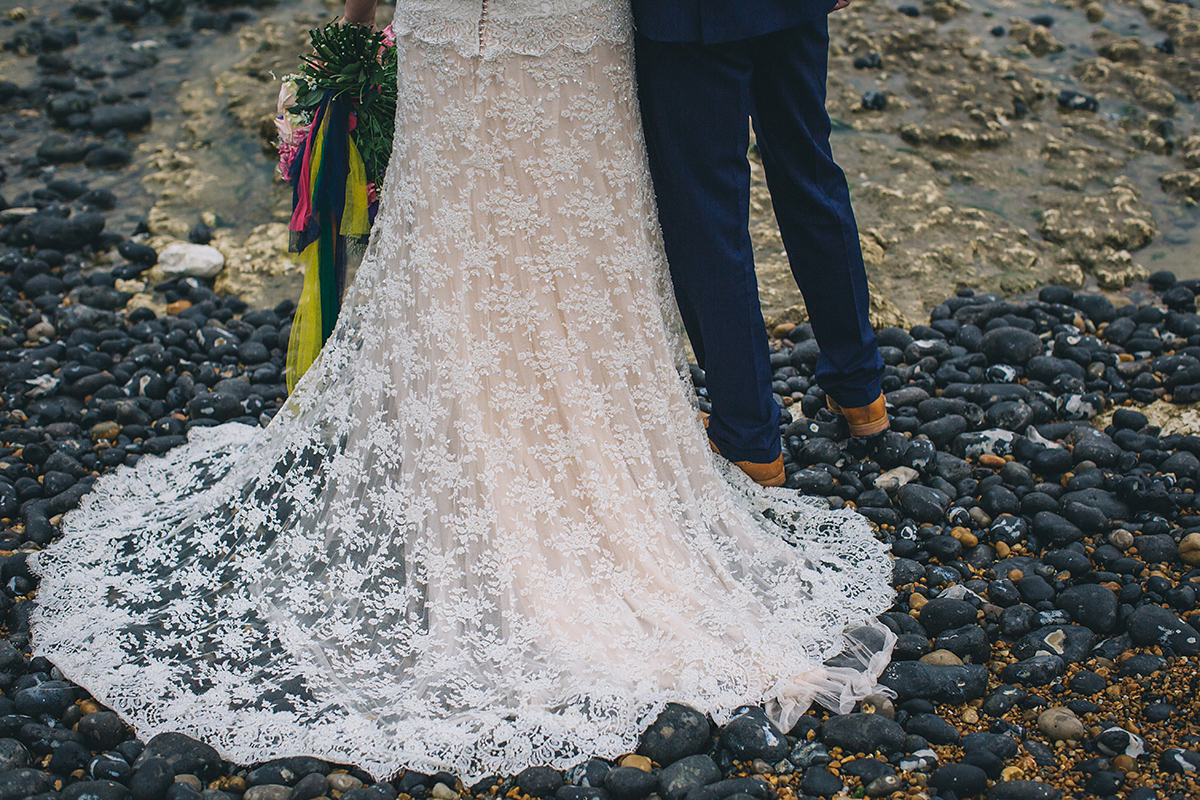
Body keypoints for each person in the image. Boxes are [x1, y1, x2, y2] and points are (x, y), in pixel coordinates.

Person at [30, 0, 895, 783]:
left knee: (526, 219)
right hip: (578, 26)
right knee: (635, 211)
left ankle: (726, 433)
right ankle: (835, 395)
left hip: (499, 27)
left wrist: (357, 25)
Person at [633, 0, 889, 488]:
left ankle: (747, 433)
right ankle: (860, 387)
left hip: (690, 17)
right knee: (810, 174)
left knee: (708, 211)